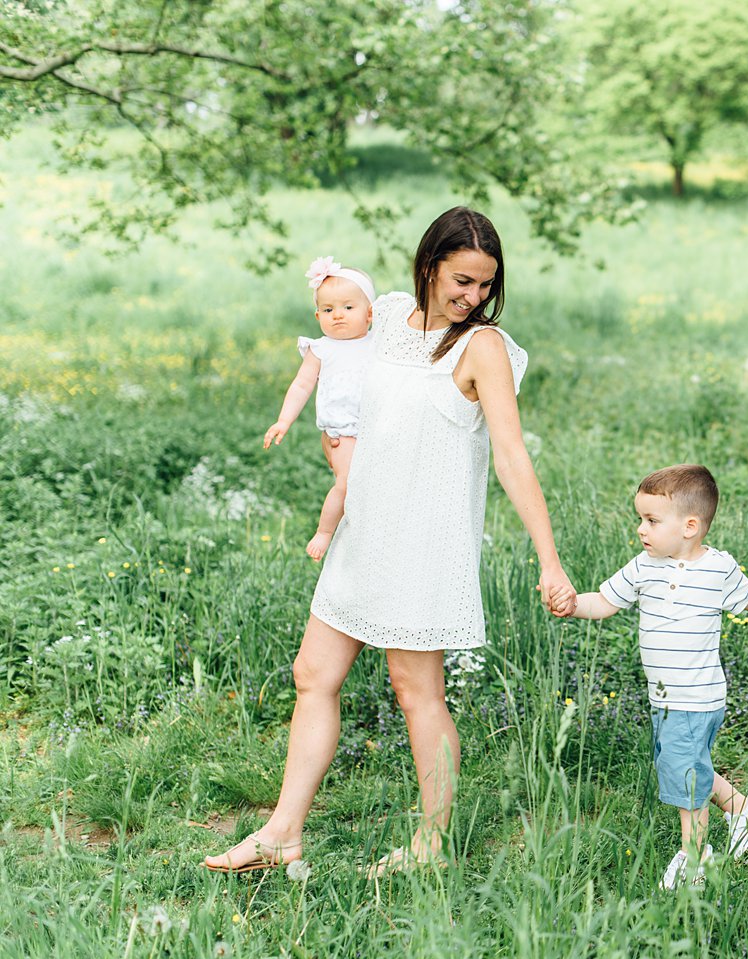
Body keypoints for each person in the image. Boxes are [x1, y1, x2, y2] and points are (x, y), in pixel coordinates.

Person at [204, 206, 575, 875]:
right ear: (429, 266)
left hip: (423, 543)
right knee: (312, 675)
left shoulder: (482, 348)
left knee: (415, 690)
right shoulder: (392, 316)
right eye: (463, 280)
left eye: (486, 286)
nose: (474, 297)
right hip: (363, 529)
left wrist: (548, 558)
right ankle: (282, 830)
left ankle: (432, 845)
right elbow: (339, 357)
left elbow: (513, 456)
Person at [565, 464, 748, 889]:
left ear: (689, 526)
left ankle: (696, 860)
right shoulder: (644, 566)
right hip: (663, 697)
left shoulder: (717, 570)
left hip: (696, 695)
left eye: (651, 521)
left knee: (684, 775)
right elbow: (605, 602)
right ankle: (742, 807)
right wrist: (572, 603)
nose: (640, 529)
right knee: (687, 763)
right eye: (641, 519)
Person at [263, 257, 377, 561]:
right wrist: (283, 421)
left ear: (370, 313)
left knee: (371, 488)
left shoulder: (378, 345)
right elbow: (301, 386)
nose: (337, 315)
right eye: (328, 310)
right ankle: (325, 531)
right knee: (347, 481)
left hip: (374, 431)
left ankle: (362, 536)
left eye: (348, 308)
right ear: (317, 316)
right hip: (343, 432)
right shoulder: (321, 349)